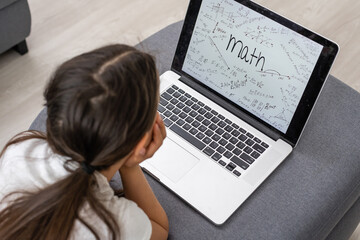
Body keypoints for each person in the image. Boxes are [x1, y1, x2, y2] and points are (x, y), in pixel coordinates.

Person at [0, 44, 169, 240]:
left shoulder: (20, 149)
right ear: (140, 144)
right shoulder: (117, 224)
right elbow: (159, 229)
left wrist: (125, 149)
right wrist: (129, 165)